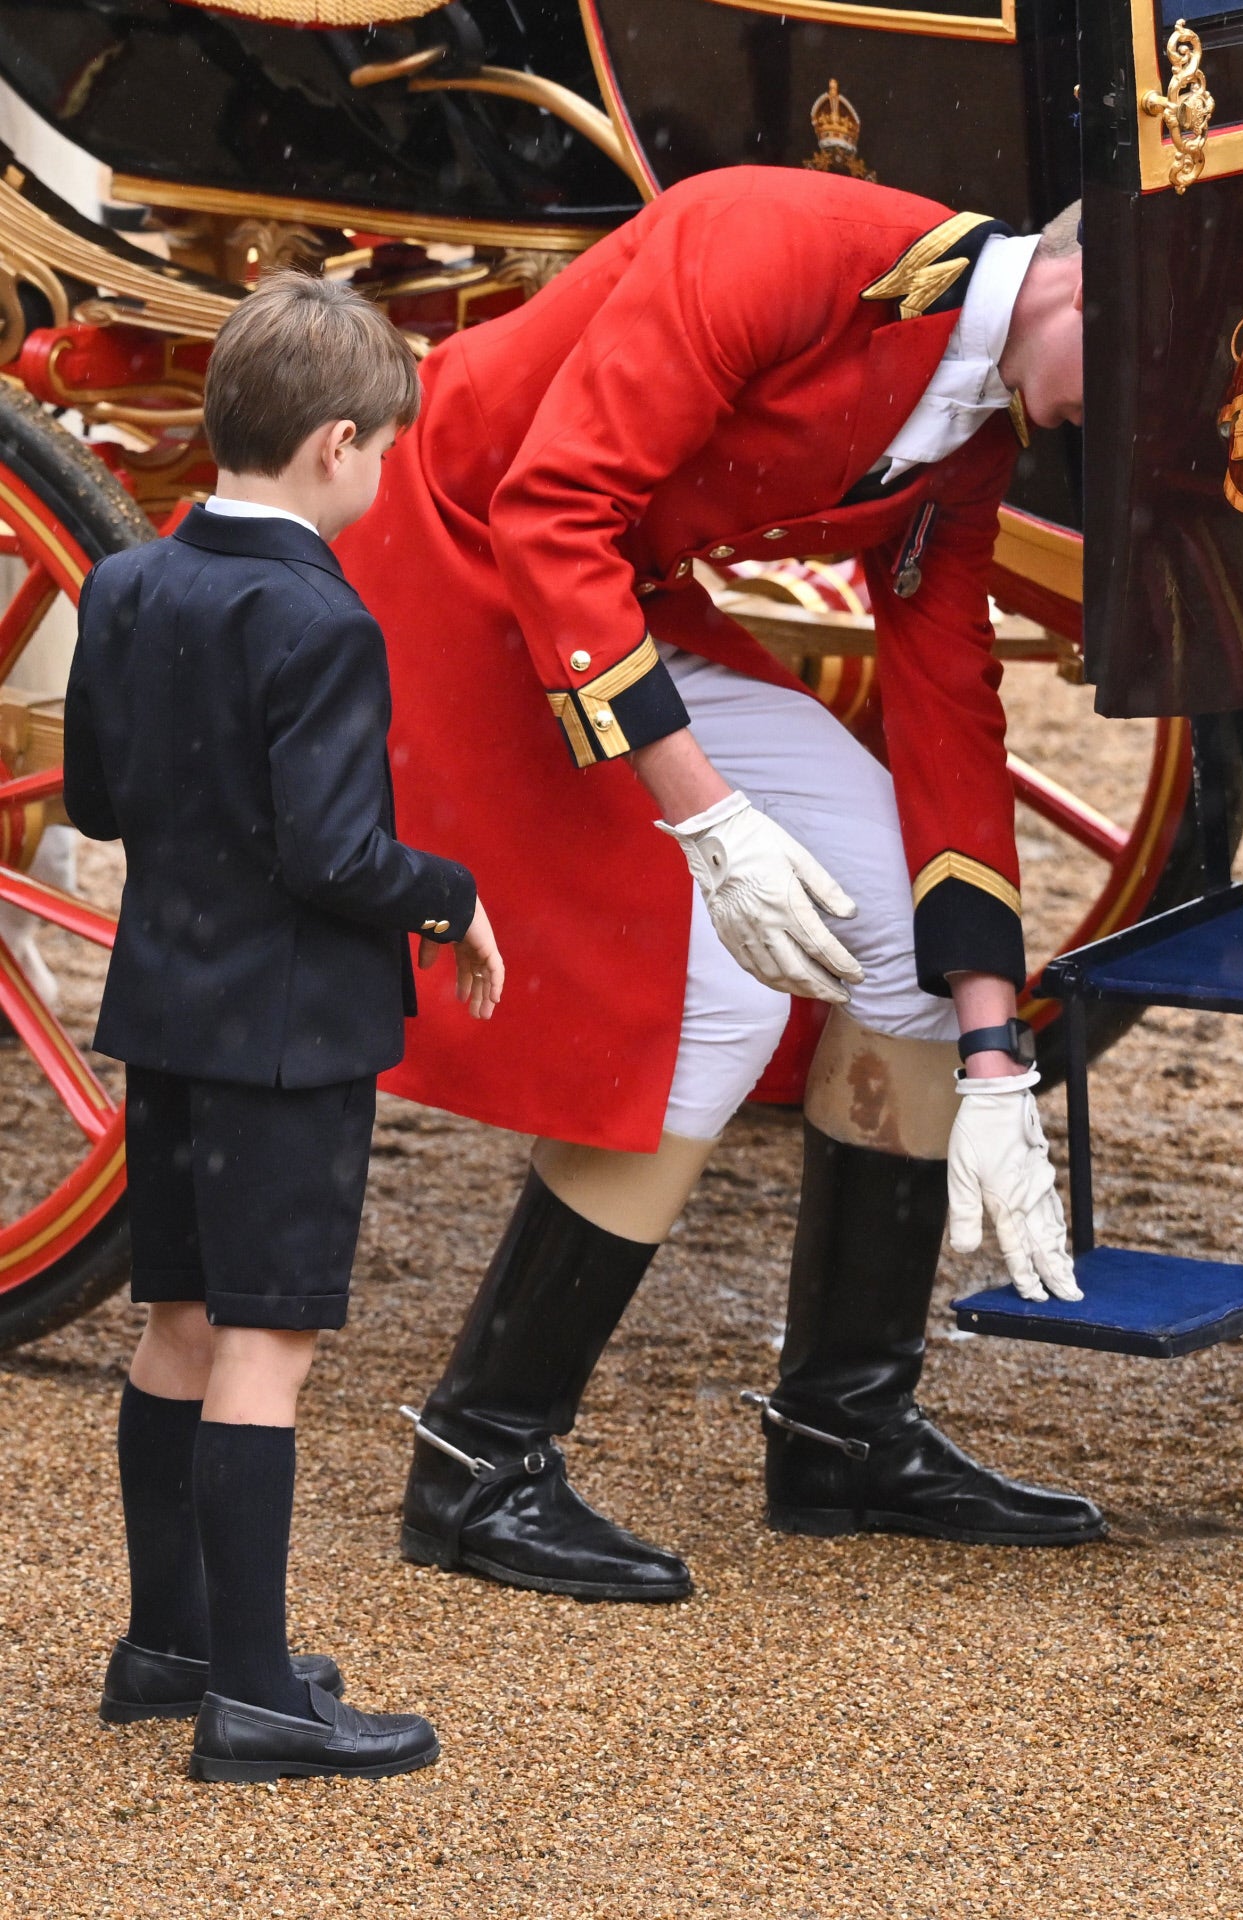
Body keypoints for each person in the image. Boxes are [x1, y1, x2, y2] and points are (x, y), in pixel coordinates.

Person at [336, 167, 1101, 1606]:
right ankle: (478, 1457)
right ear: (1076, 284)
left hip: (609, 593)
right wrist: (715, 828)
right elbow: (550, 508)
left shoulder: (981, 420)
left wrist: (994, 1053)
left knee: (894, 930)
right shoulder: (774, 242)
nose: (1105, 443)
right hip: (452, 567)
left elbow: (948, 703)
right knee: (722, 993)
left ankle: (842, 1430)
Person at [65, 272, 504, 1782]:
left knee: (177, 1324)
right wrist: (446, 897)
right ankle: (254, 1696)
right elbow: (333, 857)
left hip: (169, 1010)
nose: (380, 475)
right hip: (289, 1034)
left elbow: (99, 806)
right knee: (270, 1344)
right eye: (381, 450)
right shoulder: (319, 615)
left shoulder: (127, 586)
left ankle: (169, 1644)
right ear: (333, 445)